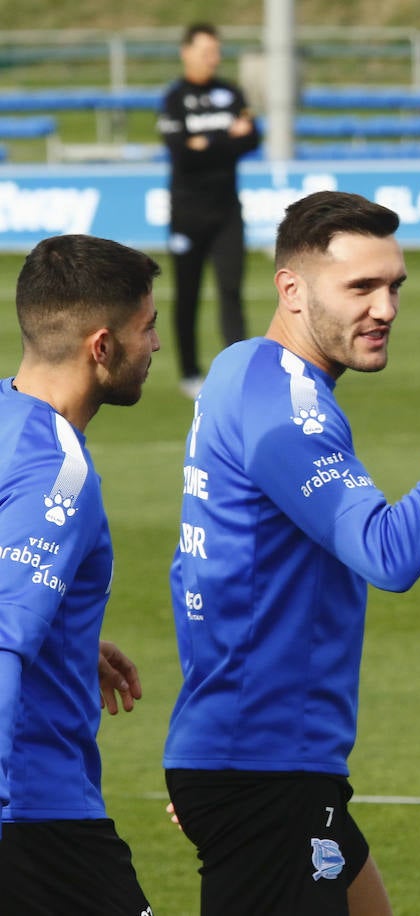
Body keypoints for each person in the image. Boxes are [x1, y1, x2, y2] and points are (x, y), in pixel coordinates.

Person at [163, 190, 420, 916]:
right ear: (291, 289)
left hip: (256, 755)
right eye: (361, 287)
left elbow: (197, 569)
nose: (385, 308)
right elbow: (387, 553)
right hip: (265, 764)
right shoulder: (288, 407)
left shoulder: (238, 371)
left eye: (394, 287)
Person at [0, 234, 161, 914]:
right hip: (37, 820)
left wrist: (63, 635)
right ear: (102, 346)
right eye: (146, 328)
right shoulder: (57, 472)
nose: (155, 345)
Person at [157, 22, 261, 399]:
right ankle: (189, 372)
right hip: (186, 213)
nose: (212, 58)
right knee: (188, 294)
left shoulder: (230, 92)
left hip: (227, 212)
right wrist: (224, 138)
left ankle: (239, 370)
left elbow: (252, 138)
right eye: (205, 51)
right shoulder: (175, 98)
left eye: (216, 51)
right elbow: (182, 152)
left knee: (231, 291)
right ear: (186, 52)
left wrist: (207, 143)